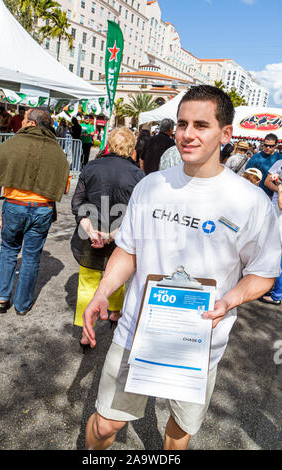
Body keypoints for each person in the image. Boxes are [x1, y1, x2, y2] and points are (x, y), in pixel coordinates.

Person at [82, 85, 281, 451]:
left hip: (199, 343)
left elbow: (264, 273)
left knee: (179, 430)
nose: (188, 134)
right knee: (106, 424)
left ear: (226, 134)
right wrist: (101, 294)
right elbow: (128, 252)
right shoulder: (151, 186)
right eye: (182, 123)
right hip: (134, 334)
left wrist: (229, 301)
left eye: (201, 125)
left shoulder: (251, 202)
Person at [0, 108, 70, 315]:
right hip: (42, 209)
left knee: (8, 250)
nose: (21, 122)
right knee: (31, 257)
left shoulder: (9, 145)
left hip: (14, 205)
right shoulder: (57, 151)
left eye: (24, 119)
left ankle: (2, 298)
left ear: (32, 124)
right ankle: (22, 305)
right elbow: (65, 188)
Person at [70, 127, 144, 351]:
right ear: (131, 148)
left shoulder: (91, 166)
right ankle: (114, 313)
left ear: (109, 144)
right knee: (116, 276)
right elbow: (136, 213)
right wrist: (113, 235)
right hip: (120, 236)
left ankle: (86, 332)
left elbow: (77, 202)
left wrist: (91, 229)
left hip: (88, 234)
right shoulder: (138, 175)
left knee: (87, 283)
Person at [260, 161, 282, 305]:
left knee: (278, 254)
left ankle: (277, 294)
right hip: (276, 213)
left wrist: (280, 188)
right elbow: (268, 182)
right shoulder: (279, 163)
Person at [244, 133, 281, 197]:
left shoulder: (280, 158)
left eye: (271, 146)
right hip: (259, 194)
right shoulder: (256, 157)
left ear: (276, 145)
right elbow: (247, 175)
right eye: (265, 145)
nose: (267, 148)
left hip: (276, 195)